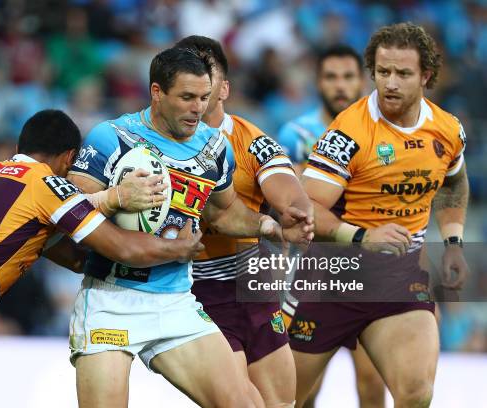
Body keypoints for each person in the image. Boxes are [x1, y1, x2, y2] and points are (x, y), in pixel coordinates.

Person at [0, 109, 205, 408]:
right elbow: (123, 248)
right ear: (69, 158)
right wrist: (179, 248)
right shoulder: (47, 185)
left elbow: (47, 231)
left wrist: (106, 200)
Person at [66, 47, 290, 407]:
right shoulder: (111, 137)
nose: (197, 108)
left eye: (203, 97)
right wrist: (116, 197)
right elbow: (69, 210)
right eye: (186, 97)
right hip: (112, 299)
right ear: (157, 92)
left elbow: (223, 212)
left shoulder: (215, 147)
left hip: (176, 301)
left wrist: (265, 224)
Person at [286, 23, 469, 407]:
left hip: (398, 279)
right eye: (383, 72)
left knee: (415, 393)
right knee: (286, 400)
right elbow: (305, 211)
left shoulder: (448, 130)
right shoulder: (348, 132)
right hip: (332, 278)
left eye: (403, 74)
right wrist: (360, 236)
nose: (390, 83)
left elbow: (453, 182)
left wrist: (453, 241)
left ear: (426, 76)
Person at [174, 35, 314, 408]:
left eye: (207, 74)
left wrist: (295, 210)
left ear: (224, 89)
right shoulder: (156, 145)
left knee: (282, 403)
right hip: (195, 292)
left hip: (253, 288)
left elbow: (284, 184)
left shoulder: (252, 140)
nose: (198, 84)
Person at [278, 45, 386, 408]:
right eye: (331, 77)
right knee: (306, 385)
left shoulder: (380, 132)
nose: (340, 86)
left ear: (362, 81)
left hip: (368, 269)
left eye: (348, 77)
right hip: (313, 267)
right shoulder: (295, 134)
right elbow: (280, 199)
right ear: (318, 82)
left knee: (372, 381)